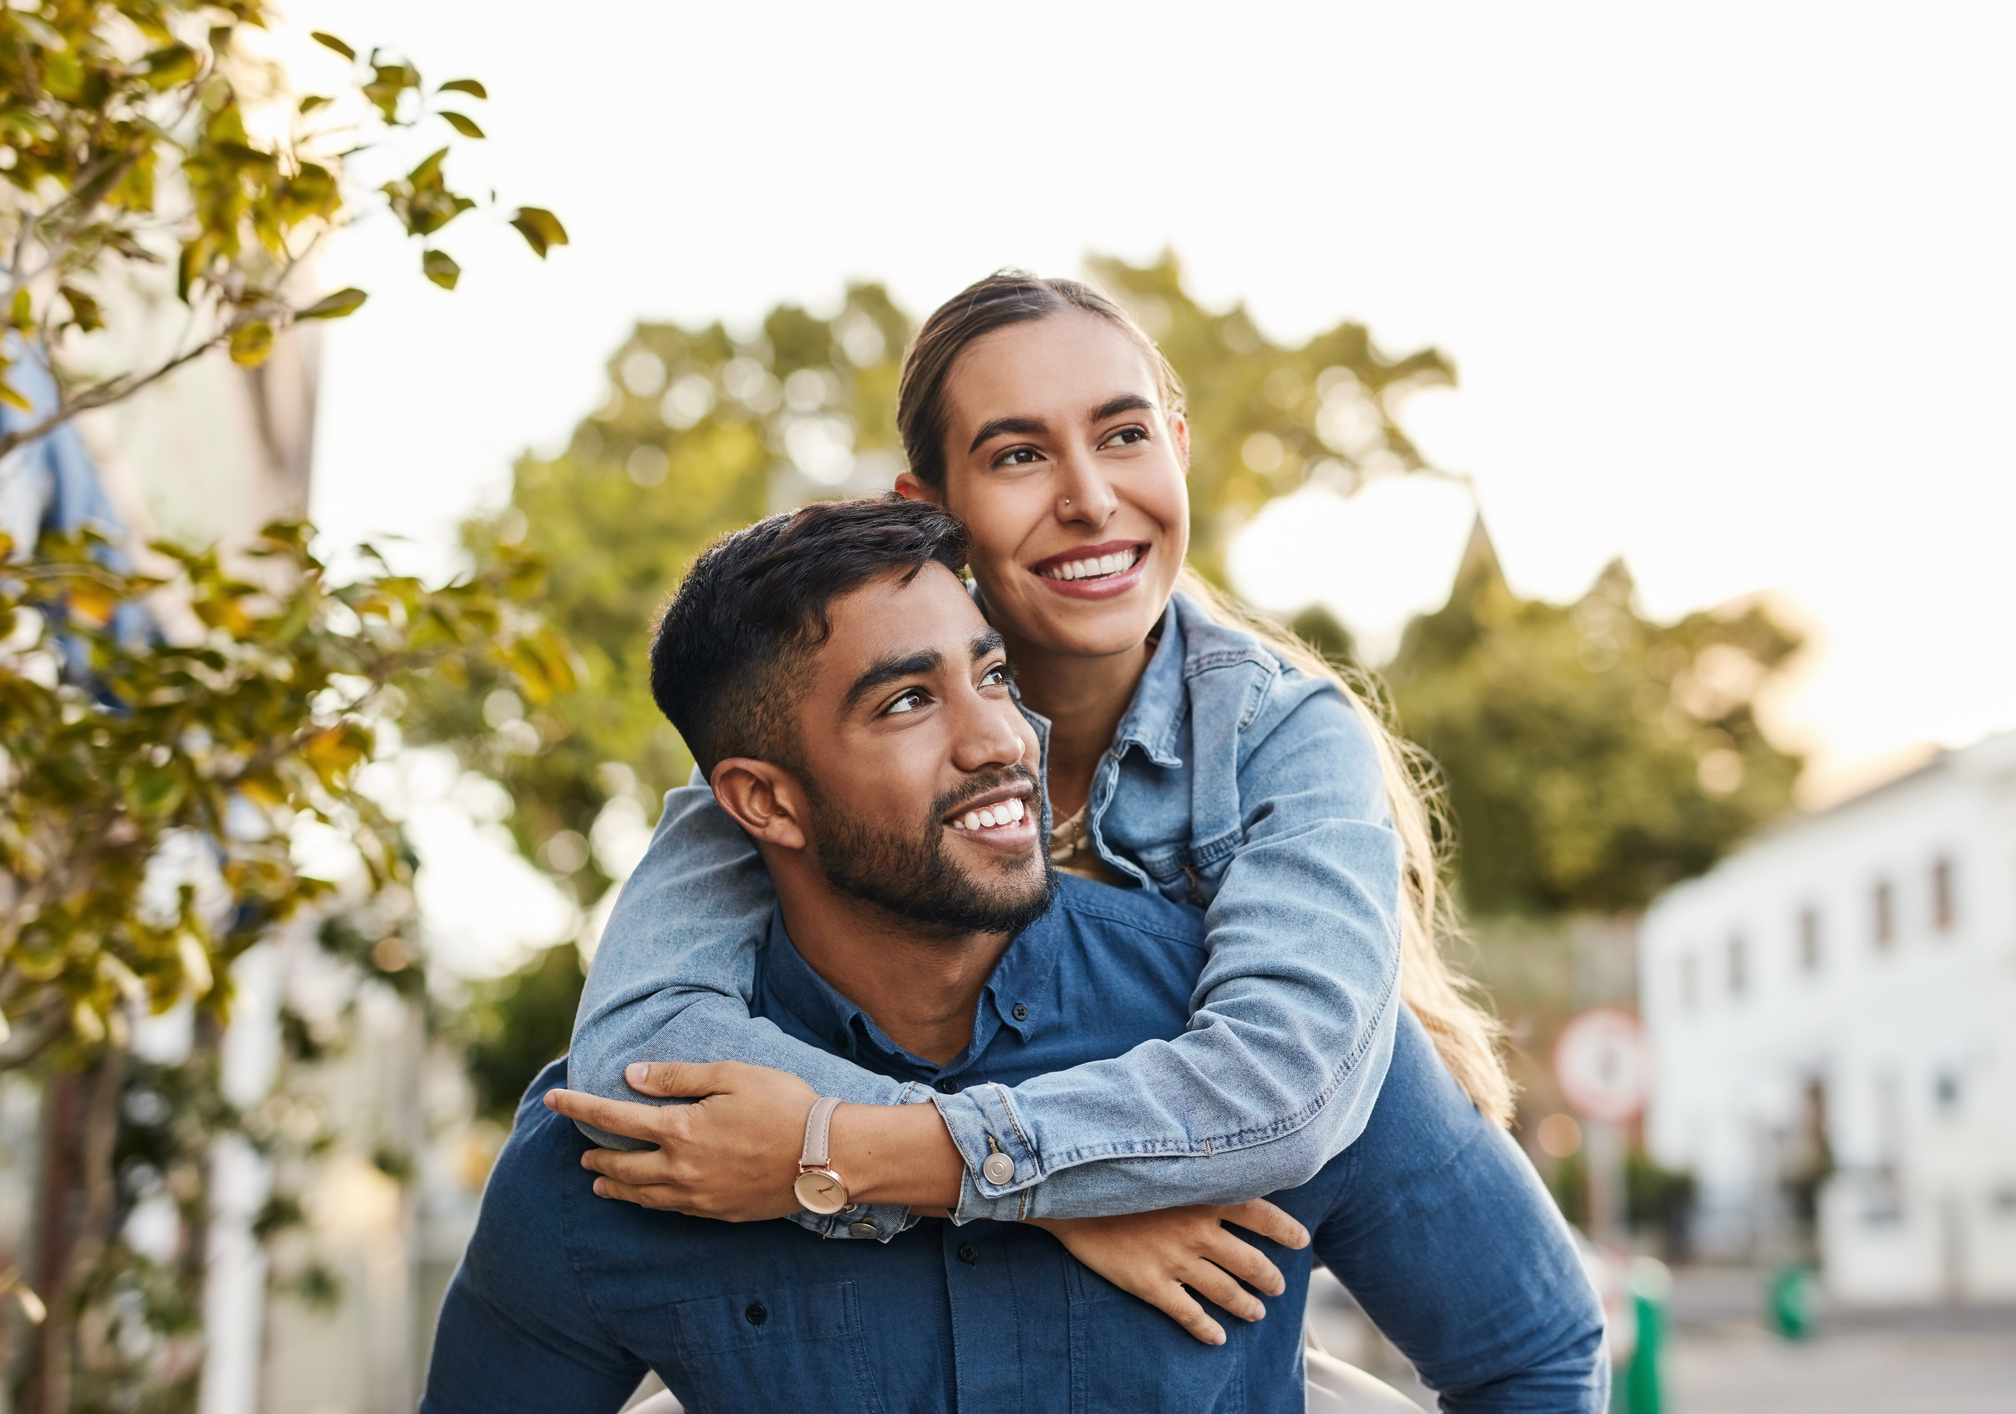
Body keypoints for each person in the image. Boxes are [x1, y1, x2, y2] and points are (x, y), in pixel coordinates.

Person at [423, 498, 1604, 1412]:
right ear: (762, 803)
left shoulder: (1261, 1031)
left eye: (993, 673)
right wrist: (1048, 1200)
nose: (999, 738)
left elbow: (1537, 1356)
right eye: (904, 703)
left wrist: (856, 1154)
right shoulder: (627, 1152)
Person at [561, 274, 1516, 1341]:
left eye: (1122, 435)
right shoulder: (826, 723)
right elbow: (635, 1053)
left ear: (1180, 450)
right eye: (1018, 455)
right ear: (929, 511)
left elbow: (1280, 1085)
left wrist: (843, 1152)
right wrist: (1053, 1204)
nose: (1090, 499)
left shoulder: (1280, 737)